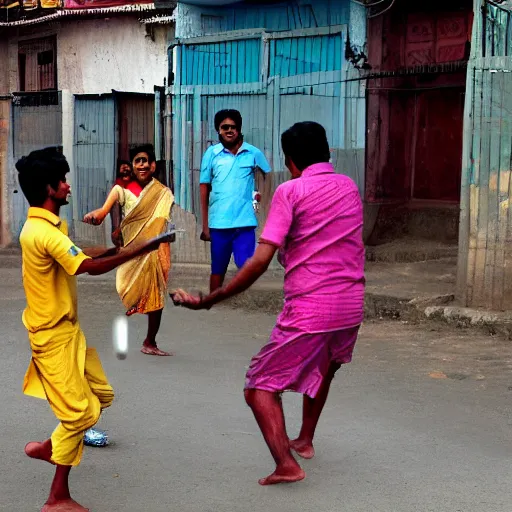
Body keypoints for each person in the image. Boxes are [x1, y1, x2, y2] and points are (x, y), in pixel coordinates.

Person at [172, 122, 365, 486]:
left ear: (290, 161)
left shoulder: (291, 191)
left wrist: (211, 300)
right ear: (328, 153)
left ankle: (286, 464)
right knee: (324, 368)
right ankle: (304, 440)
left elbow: (260, 260)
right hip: (351, 304)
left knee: (259, 385)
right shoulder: (349, 186)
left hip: (312, 307)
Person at [17, 147, 174, 512]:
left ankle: (51, 446)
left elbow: (78, 253)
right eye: (63, 182)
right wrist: (143, 248)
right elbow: (86, 267)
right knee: (78, 416)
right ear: (48, 188)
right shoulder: (40, 232)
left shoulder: (53, 227)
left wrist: (124, 247)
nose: (68, 186)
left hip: (68, 333)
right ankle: (57, 497)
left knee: (100, 397)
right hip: (52, 338)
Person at [83, 144, 174, 356]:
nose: (142, 165)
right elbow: (103, 212)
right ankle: (137, 303)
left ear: (153, 165)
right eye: (137, 161)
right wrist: (95, 217)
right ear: (131, 166)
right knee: (128, 285)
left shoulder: (163, 193)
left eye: (146, 161)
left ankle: (150, 342)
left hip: (155, 250)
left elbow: (163, 221)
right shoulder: (120, 191)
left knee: (158, 296)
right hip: (130, 250)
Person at [200, 109, 271, 293]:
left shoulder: (252, 152)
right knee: (218, 268)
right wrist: (205, 226)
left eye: (233, 127)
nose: (229, 130)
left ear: (239, 129)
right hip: (219, 223)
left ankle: (235, 298)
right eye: (225, 127)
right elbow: (204, 188)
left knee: (246, 263)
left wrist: (259, 198)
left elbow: (267, 175)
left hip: (244, 221)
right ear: (218, 130)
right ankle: (213, 302)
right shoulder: (211, 154)